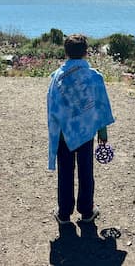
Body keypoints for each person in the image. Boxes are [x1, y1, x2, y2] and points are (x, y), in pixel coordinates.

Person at [47, 34, 115, 224]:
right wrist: (102, 133)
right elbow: (101, 107)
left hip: (63, 135)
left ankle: (64, 213)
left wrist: (54, 133)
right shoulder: (94, 77)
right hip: (86, 133)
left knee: (65, 173)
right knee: (86, 172)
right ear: (86, 52)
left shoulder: (57, 77)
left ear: (66, 52)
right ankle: (86, 211)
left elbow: (53, 107)